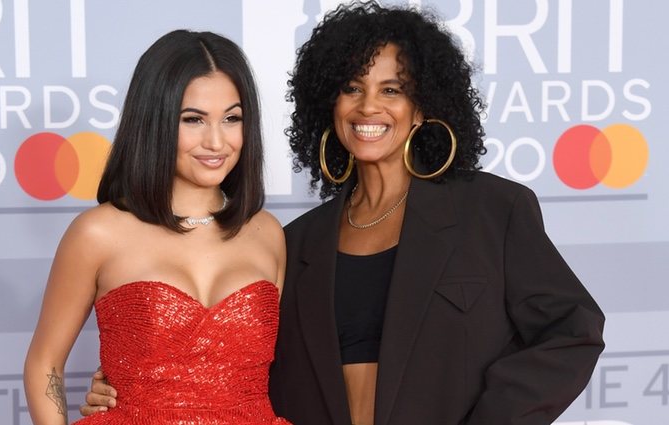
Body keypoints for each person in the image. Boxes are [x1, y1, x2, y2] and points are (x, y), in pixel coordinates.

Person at [81, 2, 605, 424]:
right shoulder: (299, 241)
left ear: (423, 106)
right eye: (351, 87)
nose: (367, 106)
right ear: (327, 104)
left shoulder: (492, 210)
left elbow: (573, 330)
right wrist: (137, 383)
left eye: (392, 90)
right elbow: (242, 364)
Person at [23, 29, 289, 424]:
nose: (217, 141)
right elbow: (44, 362)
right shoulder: (98, 233)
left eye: (232, 118)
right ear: (155, 120)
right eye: (193, 119)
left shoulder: (267, 233)